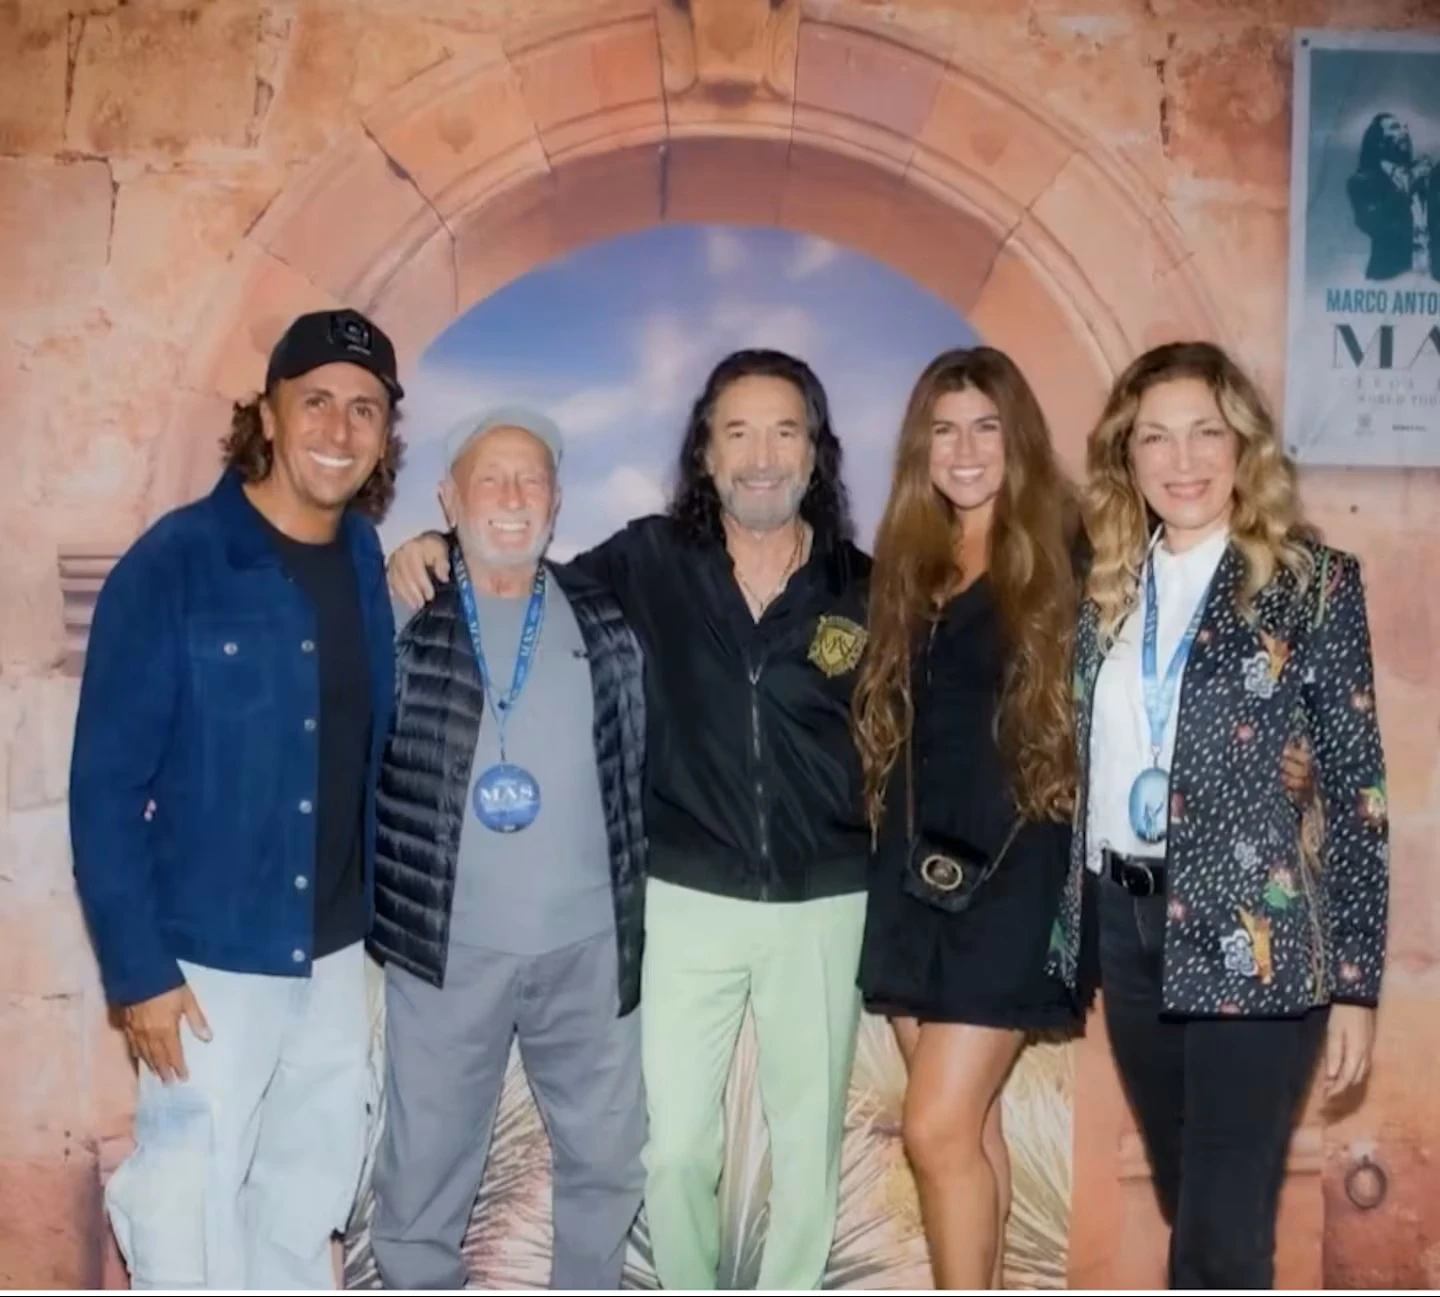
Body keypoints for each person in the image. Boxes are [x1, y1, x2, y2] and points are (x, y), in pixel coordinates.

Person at [387, 350, 871, 1290]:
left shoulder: (866, 583)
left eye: (784, 431)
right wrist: (432, 542)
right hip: (683, 895)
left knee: (806, 1154)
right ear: (705, 452)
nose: (761, 456)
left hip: (825, 901)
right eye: (737, 431)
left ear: (816, 452)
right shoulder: (647, 561)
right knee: (673, 1148)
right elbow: (520, 566)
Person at [69, 309, 404, 1288]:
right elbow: (103, 789)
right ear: (266, 413)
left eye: (365, 409)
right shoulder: (172, 563)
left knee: (303, 1209)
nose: (339, 429)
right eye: (316, 402)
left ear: (386, 434)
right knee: (186, 1212)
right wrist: (139, 973)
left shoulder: (365, 559)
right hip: (205, 970)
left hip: (336, 960)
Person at [1059, 340, 1389, 1288]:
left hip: (1254, 932)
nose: (1183, 459)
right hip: (1126, 925)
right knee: (1188, 1198)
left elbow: (1359, 792)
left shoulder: (1312, 583)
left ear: (1244, 444)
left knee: (1220, 1238)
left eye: (1206, 431)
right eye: (1155, 437)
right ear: (1126, 456)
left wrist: (1358, 983)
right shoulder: (1103, 584)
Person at [367, 408, 647, 1290]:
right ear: (449, 499)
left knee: (609, 1162)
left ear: (558, 503)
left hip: (589, 952)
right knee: (423, 1182)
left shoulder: (606, 615)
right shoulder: (401, 607)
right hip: (444, 952)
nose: (514, 497)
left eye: (532, 480)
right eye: (490, 478)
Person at [851, 348, 1085, 1289]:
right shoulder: (906, 567)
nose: (965, 449)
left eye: (986, 426)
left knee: (936, 1126)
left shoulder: (1071, 557)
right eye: (944, 430)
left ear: (1018, 438)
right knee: (970, 1129)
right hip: (911, 875)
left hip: (1017, 871)